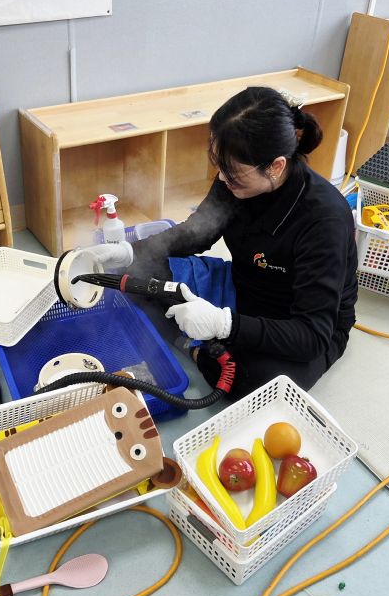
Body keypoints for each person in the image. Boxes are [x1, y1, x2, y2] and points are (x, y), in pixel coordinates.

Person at [88, 86, 357, 398]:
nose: (223, 180)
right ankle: (199, 345)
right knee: (134, 276)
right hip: (242, 287)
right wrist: (128, 252)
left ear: (276, 166)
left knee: (257, 383)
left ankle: (197, 348)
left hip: (296, 324)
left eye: (234, 174)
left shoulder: (323, 219)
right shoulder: (234, 179)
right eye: (219, 166)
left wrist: (223, 324)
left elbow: (312, 335)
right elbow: (196, 232)